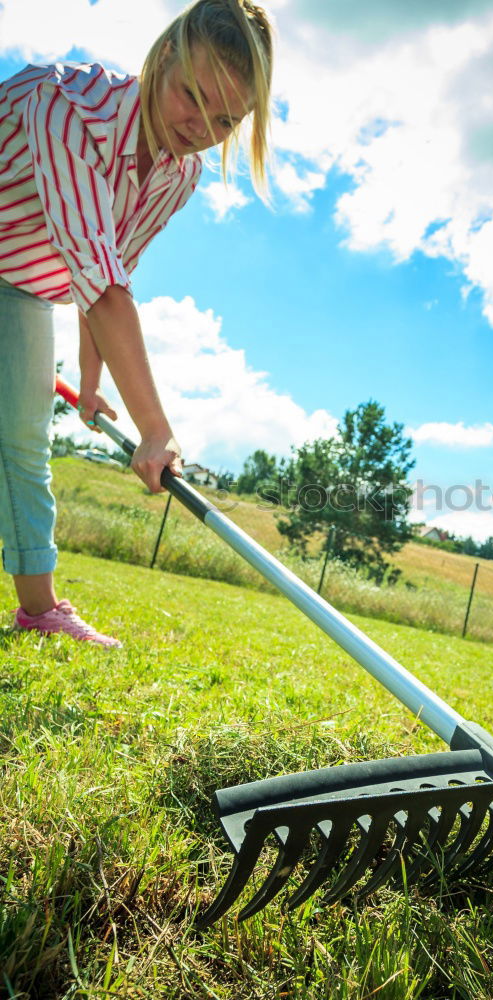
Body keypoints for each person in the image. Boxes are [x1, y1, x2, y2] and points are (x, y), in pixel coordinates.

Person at [0, 0, 273, 647]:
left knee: (23, 441)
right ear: (161, 59)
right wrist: (156, 430)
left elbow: (108, 271)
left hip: (20, 285)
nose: (199, 125)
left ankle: (40, 611)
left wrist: (93, 383)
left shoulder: (180, 176)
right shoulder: (64, 103)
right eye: (191, 95)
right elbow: (102, 286)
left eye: (225, 119)